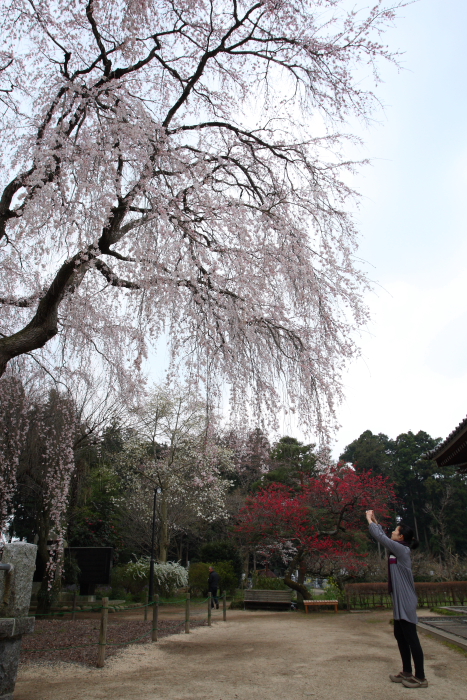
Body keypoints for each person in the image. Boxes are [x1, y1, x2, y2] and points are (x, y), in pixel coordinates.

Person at [366, 509, 428, 689]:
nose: (392, 532)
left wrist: (369, 521)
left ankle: (421, 677)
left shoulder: (401, 549)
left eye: (395, 530)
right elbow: (385, 536)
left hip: (406, 599)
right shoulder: (399, 548)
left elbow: (382, 538)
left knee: (411, 637)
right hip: (399, 598)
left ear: (401, 537)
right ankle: (407, 671)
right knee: (400, 635)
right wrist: (376, 523)